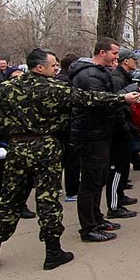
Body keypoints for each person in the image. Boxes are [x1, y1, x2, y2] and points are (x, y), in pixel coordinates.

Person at [0, 48, 140, 273]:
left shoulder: (7, 89)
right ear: (40, 67)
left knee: (8, 200)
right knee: (48, 201)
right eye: (53, 65)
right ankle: (52, 252)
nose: (56, 69)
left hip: (17, 149)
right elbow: (89, 99)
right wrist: (122, 98)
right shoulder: (54, 89)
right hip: (46, 148)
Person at [69, 38, 122, 242]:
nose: (116, 57)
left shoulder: (99, 72)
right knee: (90, 182)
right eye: (114, 53)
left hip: (100, 134)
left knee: (98, 179)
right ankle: (88, 227)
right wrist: (123, 99)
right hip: (90, 136)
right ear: (102, 52)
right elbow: (98, 101)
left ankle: (97, 219)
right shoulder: (89, 74)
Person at [0, 68, 37, 219]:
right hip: (0, 143)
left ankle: (20, 204)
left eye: (22, 77)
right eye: (14, 77)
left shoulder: (29, 94)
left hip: (24, 142)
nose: (18, 81)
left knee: (26, 177)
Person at [107, 48, 140, 219]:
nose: (136, 62)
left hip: (126, 128)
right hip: (120, 130)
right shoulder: (117, 78)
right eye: (134, 59)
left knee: (123, 166)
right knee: (117, 168)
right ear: (126, 61)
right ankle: (114, 206)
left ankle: (120, 197)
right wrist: (125, 127)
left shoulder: (123, 77)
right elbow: (117, 105)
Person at [56, 54, 81, 202]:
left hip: (57, 127)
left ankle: (57, 186)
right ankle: (72, 191)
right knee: (71, 159)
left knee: (59, 159)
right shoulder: (68, 82)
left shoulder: (56, 80)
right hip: (68, 126)